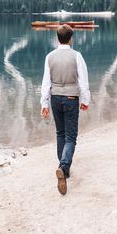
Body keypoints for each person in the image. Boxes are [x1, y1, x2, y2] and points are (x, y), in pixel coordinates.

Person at [40, 23, 90, 195]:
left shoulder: (49, 57)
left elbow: (46, 83)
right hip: (71, 98)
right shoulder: (77, 56)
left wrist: (44, 104)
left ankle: (64, 168)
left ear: (57, 38)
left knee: (60, 133)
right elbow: (83, 81)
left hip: (55, 98)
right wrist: (86, 99)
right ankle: (63, 165)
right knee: (71, 136)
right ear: (70, 38)